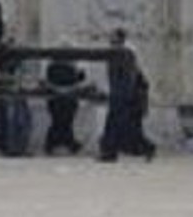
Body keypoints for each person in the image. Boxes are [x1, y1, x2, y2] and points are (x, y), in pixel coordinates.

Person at [97, 33, 156, 162]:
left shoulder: (126, 54)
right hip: (122, 97)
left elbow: (130, 80)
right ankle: (110, 152)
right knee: (118, 127)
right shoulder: (117, 55)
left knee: (126, 128)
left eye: (114, 40)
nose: (112, 43)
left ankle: (112, 152)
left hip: (128, 98)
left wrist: (124, 97)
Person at [43, 57, 86, 154]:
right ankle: (59, 142)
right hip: (66, 97)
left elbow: (48, 82)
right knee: (64, 121)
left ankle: (55, 143)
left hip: (56, 97)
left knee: (59, 121)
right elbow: (78, 79)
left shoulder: (52, 67)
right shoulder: (69, 67)